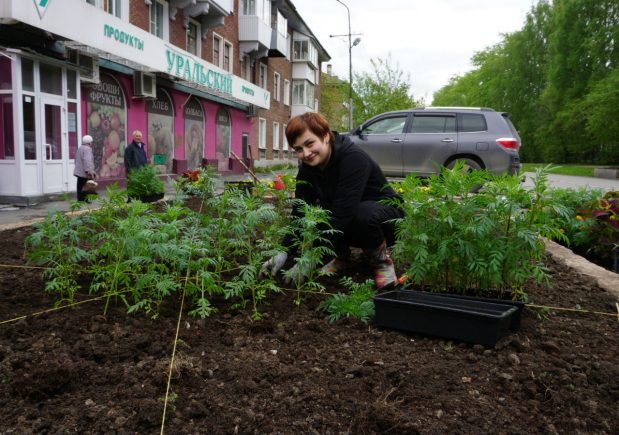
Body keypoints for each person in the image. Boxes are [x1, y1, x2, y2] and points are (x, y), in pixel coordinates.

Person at [262, 112, 404, 288]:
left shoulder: (353, 159)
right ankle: (342, 257)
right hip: (347, 214)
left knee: (360, 215)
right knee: (318, 215)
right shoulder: (308, 168)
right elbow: (300, 211)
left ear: (326, 136)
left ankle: (381, 262)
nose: (306, 153)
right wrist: (283, 252)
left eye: (309, 143)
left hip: (386, 219)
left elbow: (342, 215)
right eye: (298, 149)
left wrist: (310, 260)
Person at [74, 135, 96, 202]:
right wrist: (89, 170)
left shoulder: (80, 148)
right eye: (91, 142)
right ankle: (85, 200)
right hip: (84, 172)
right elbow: (87, 160)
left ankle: (80, 199)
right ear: (89, 142)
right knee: (86, 186)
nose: (91, 143)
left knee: (80, 185)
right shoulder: (87, 149)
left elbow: (76, 160)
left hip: (79, 171)